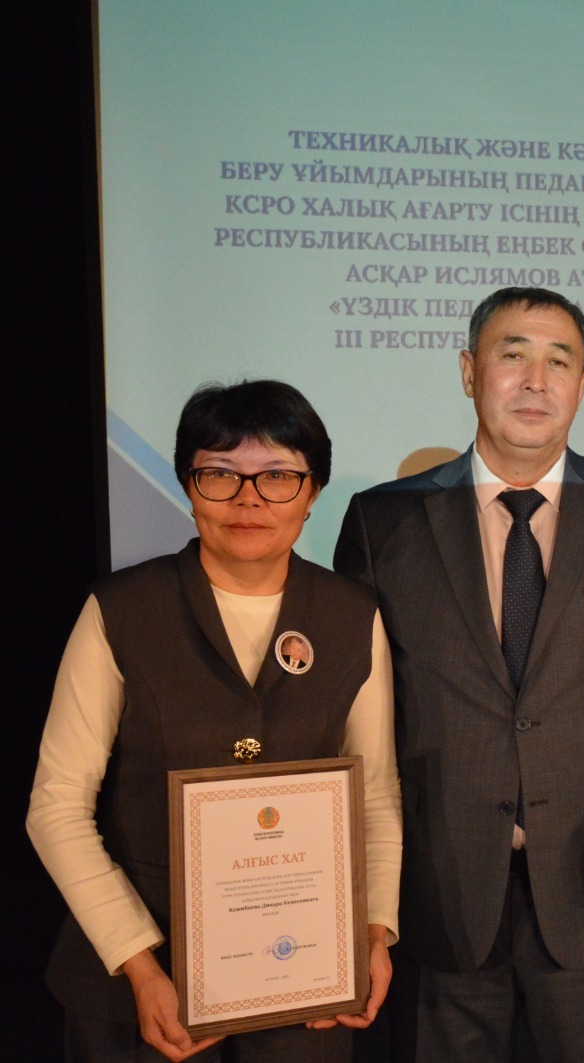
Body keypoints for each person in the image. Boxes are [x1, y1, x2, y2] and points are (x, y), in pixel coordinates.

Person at [334, 287, 584, 1061]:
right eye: (512, 354)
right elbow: (355, 723)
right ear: (469, 371)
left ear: (583, 384)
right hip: (437, 892)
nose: (535, 381)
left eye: (559, 361)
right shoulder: (382, 520)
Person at [27, 380, 401, 1062]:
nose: (248, 499)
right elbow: (56, 807)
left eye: (278, 476)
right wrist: (139, 964)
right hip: (139, 989)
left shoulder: (352, 614)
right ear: (188, 485)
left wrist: (373, 932)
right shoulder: (120, 609)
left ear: (313, 491)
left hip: (303, 986)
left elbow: (375, 795)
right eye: (220, 474)